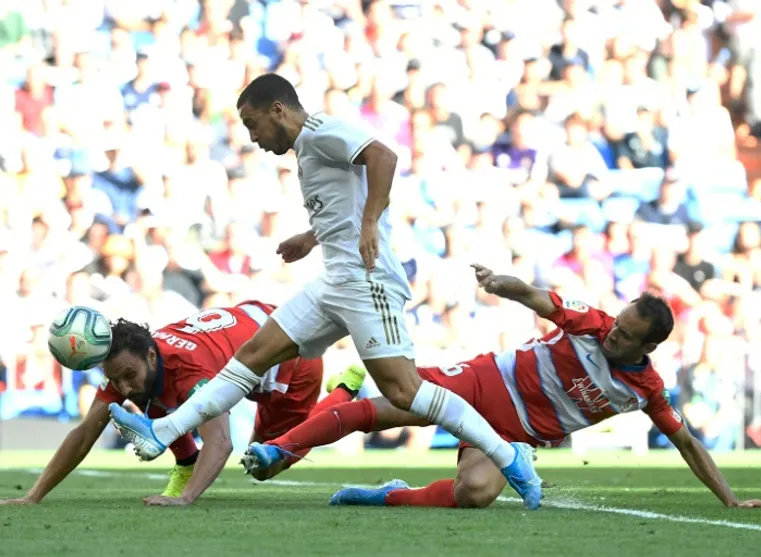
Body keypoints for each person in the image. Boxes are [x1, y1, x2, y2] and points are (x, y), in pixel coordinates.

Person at [108, 74, 542, 509]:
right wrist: (311, 237)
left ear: (278, 110)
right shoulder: (307, 148)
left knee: (404, 391)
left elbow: (384, 156)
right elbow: (343, 204)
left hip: (367, 280)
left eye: (253, 123)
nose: (252, 136)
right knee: (253, 354)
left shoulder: (321, 132)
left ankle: (508, 454)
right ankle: (163, 430)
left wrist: (370, 222)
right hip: (334, 280)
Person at [242, 264, 761, 510]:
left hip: (512, 436)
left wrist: (729, 499)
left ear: (647, 347)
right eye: (619, 323)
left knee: (474, 494)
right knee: (385, 408)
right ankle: (277, 449)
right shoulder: (592, 322)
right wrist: (500, 283)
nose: (614, 333)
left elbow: (686, 442)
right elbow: (537, 296)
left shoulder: (646, 390)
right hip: (484, 383)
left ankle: (387, 496)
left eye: (627, 335)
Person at [0, 300, 363, 507]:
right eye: (116, 379)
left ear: (151, 356)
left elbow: (221, 441)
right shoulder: (130, 361)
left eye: (128, 375)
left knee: (266, 462)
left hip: (289, 358)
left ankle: (343, 392)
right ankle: (186, 461)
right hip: (247, 328)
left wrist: (185, 499)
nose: (123, 387)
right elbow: (84, 433)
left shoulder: (189, 371)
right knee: (151, 394)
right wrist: (33, 496)